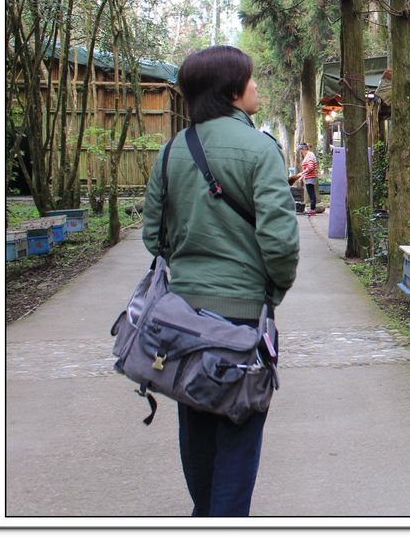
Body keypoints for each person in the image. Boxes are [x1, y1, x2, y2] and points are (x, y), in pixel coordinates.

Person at [142, 45, 299, 516]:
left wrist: (190, 275)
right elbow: (281, 240)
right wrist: (271, 292)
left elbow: (153, 236)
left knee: (196, 424)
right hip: (240, 322)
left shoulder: (171, 151)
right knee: (239, 431)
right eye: (250, 80)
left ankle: (204, 516)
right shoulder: (260, 150)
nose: (255, 88)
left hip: (182, 323)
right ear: (232, 91)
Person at [296, 142, 319, 215]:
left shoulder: (309, 155)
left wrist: (301, 173)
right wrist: (302, 176)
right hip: (309, 177)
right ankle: (312, 209)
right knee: (310, 193)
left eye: (300, 150)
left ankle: (312, 210)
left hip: (311, 177)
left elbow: (310, 167)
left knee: (311, 193)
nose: (300, 152)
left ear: (303, 149)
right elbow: (307, 169)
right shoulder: (308, 155)